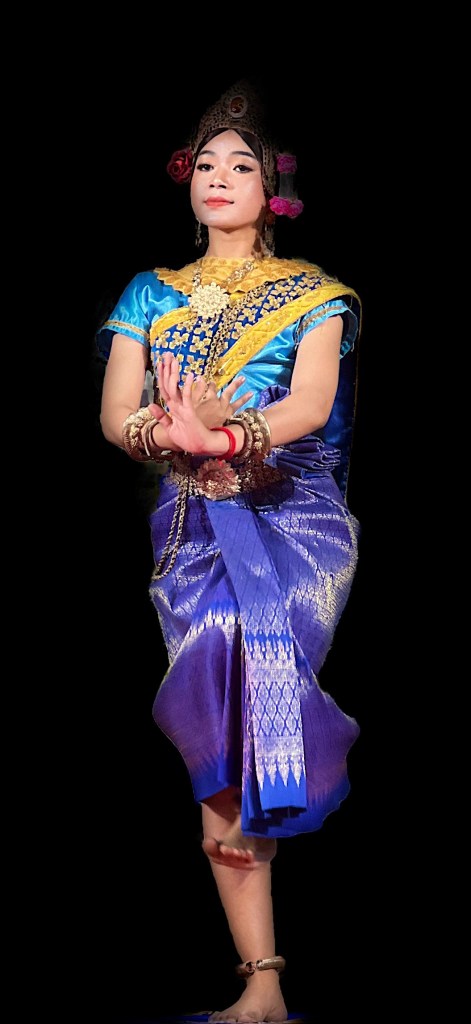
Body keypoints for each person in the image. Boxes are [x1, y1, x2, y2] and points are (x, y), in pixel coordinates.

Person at [97, 80, 362, 1024]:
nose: (217, 177)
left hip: (293, 514)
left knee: (251, 661)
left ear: (272, 190)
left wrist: (222, 433)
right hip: (191, 520)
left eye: (238, 165)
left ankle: (263, 946)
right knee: (213, 676)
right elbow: (116, 414)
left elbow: (311, 406)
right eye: (203, 164)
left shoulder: (315, 294)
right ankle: (263, 981)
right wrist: (164, 433)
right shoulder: (150, 292)